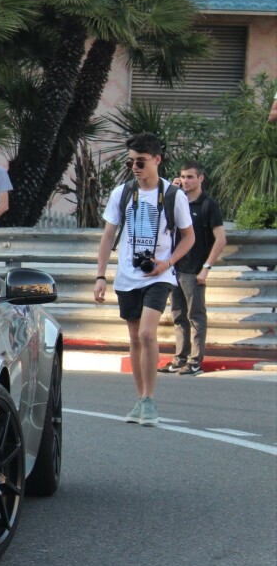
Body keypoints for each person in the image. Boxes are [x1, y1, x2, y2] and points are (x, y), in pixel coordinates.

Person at [94, 133, 194, 427]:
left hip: (159, 276)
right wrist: (100, 275)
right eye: (131, 162)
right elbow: (108, 236)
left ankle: (150, 400)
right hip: (127, 276)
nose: (135, 167)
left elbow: (189, 238)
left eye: (140, 162)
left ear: (157, 160)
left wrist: (167, 263)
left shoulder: (174, 196)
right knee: (135, 338)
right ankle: (140, 399)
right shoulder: (121, 193)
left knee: (148, 334)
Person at [159, 160, 227, 377]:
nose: (186, 181)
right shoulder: (176, 200)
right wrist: (171, 191)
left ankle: (195, 360)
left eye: (190, 177)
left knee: (195, 316)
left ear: (200, 178)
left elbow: (221, 239)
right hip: (173, 268)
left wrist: (206, 267)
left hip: (194, 269)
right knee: (177, 315)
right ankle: (180, 358)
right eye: (183, 176)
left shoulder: (208, 204)